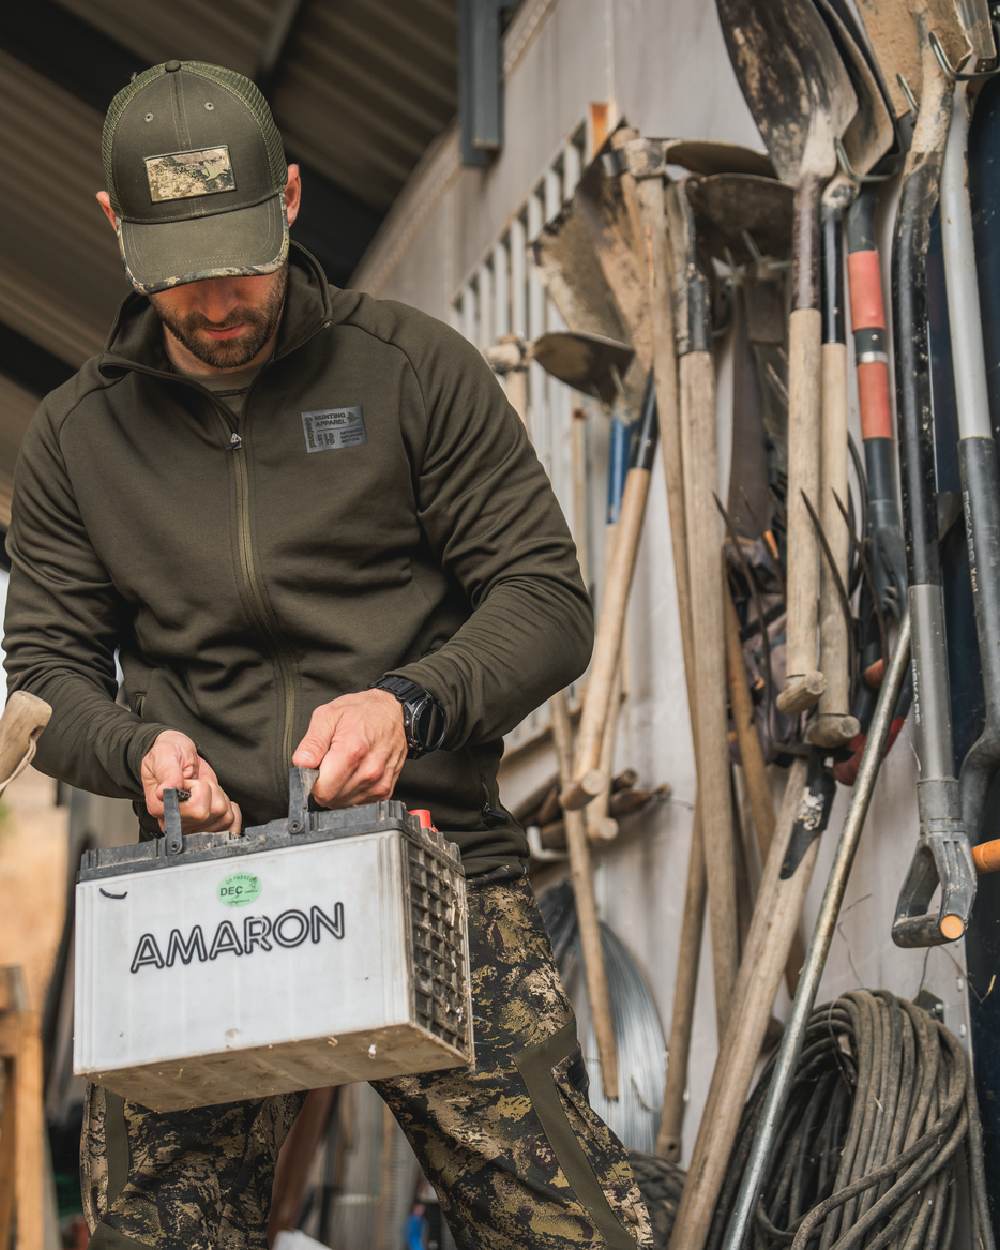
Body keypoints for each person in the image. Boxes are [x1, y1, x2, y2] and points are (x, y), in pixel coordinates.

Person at [3, 60, 652, 1250]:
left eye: (239, 258)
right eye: (180, 272)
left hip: (434, 861)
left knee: (579, 1226)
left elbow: (545, 598)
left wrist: (412, 701)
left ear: (291, 197)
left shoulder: (411, 371)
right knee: (156, 1234)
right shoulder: (74, 438)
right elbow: (42, 668)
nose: (214, 300)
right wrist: (141, 751)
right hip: (200, 899)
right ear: (115, 228)